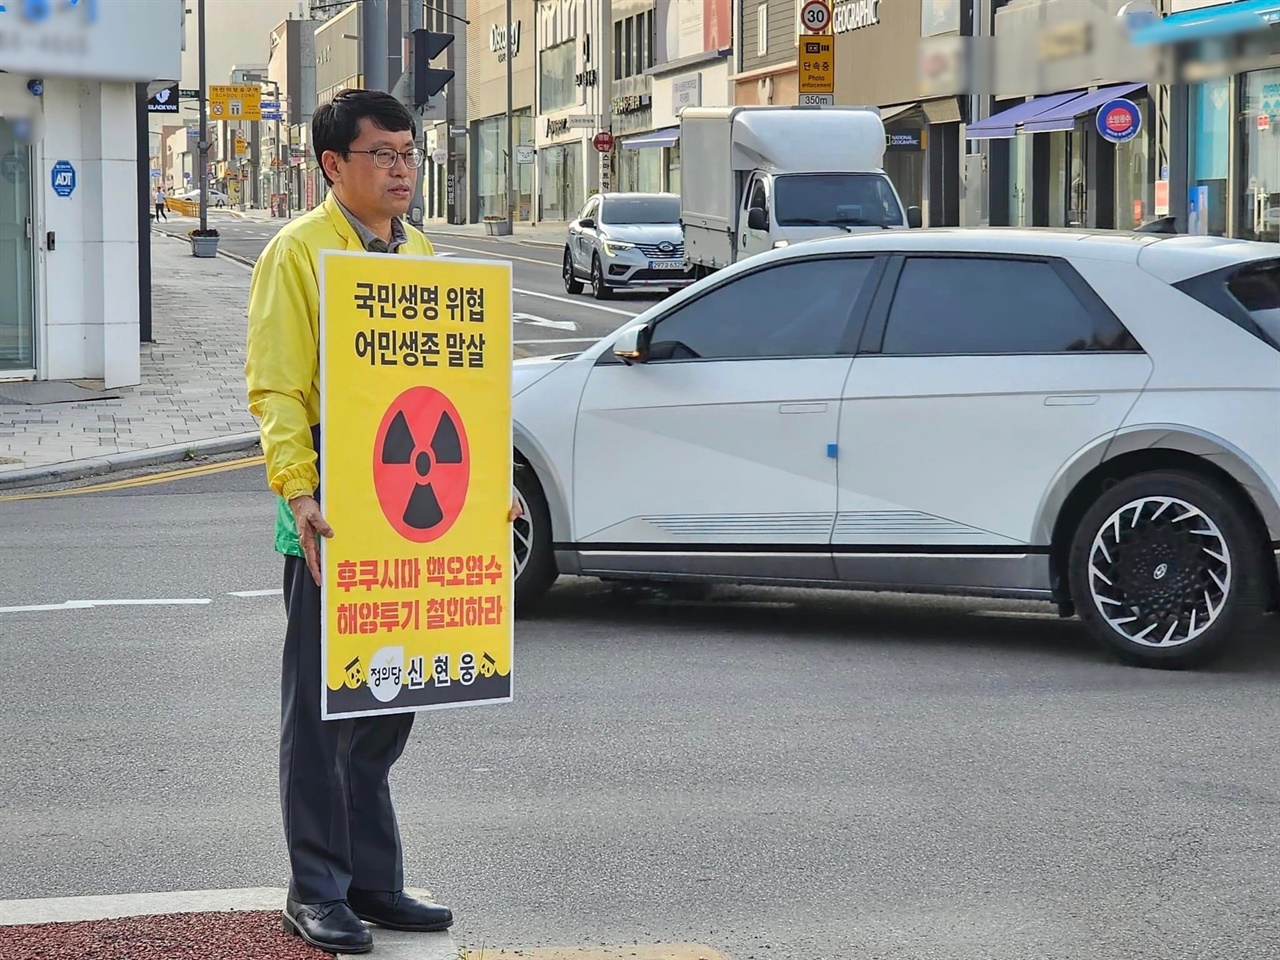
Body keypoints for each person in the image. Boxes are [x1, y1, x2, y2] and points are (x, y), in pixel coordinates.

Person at [244, 88, 520, 955]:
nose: (402, 169)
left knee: (389, 695)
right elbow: (278, 389)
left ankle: (373, 878)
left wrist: (494, 486)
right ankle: (315, 888)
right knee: (324, 710)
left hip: (413, 501)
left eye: (409, 153)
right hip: (333, 500)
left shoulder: (427, 255)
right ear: (333, 166)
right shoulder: (298, 255)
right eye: (383, 155)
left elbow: (456, 392)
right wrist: (299, 492)